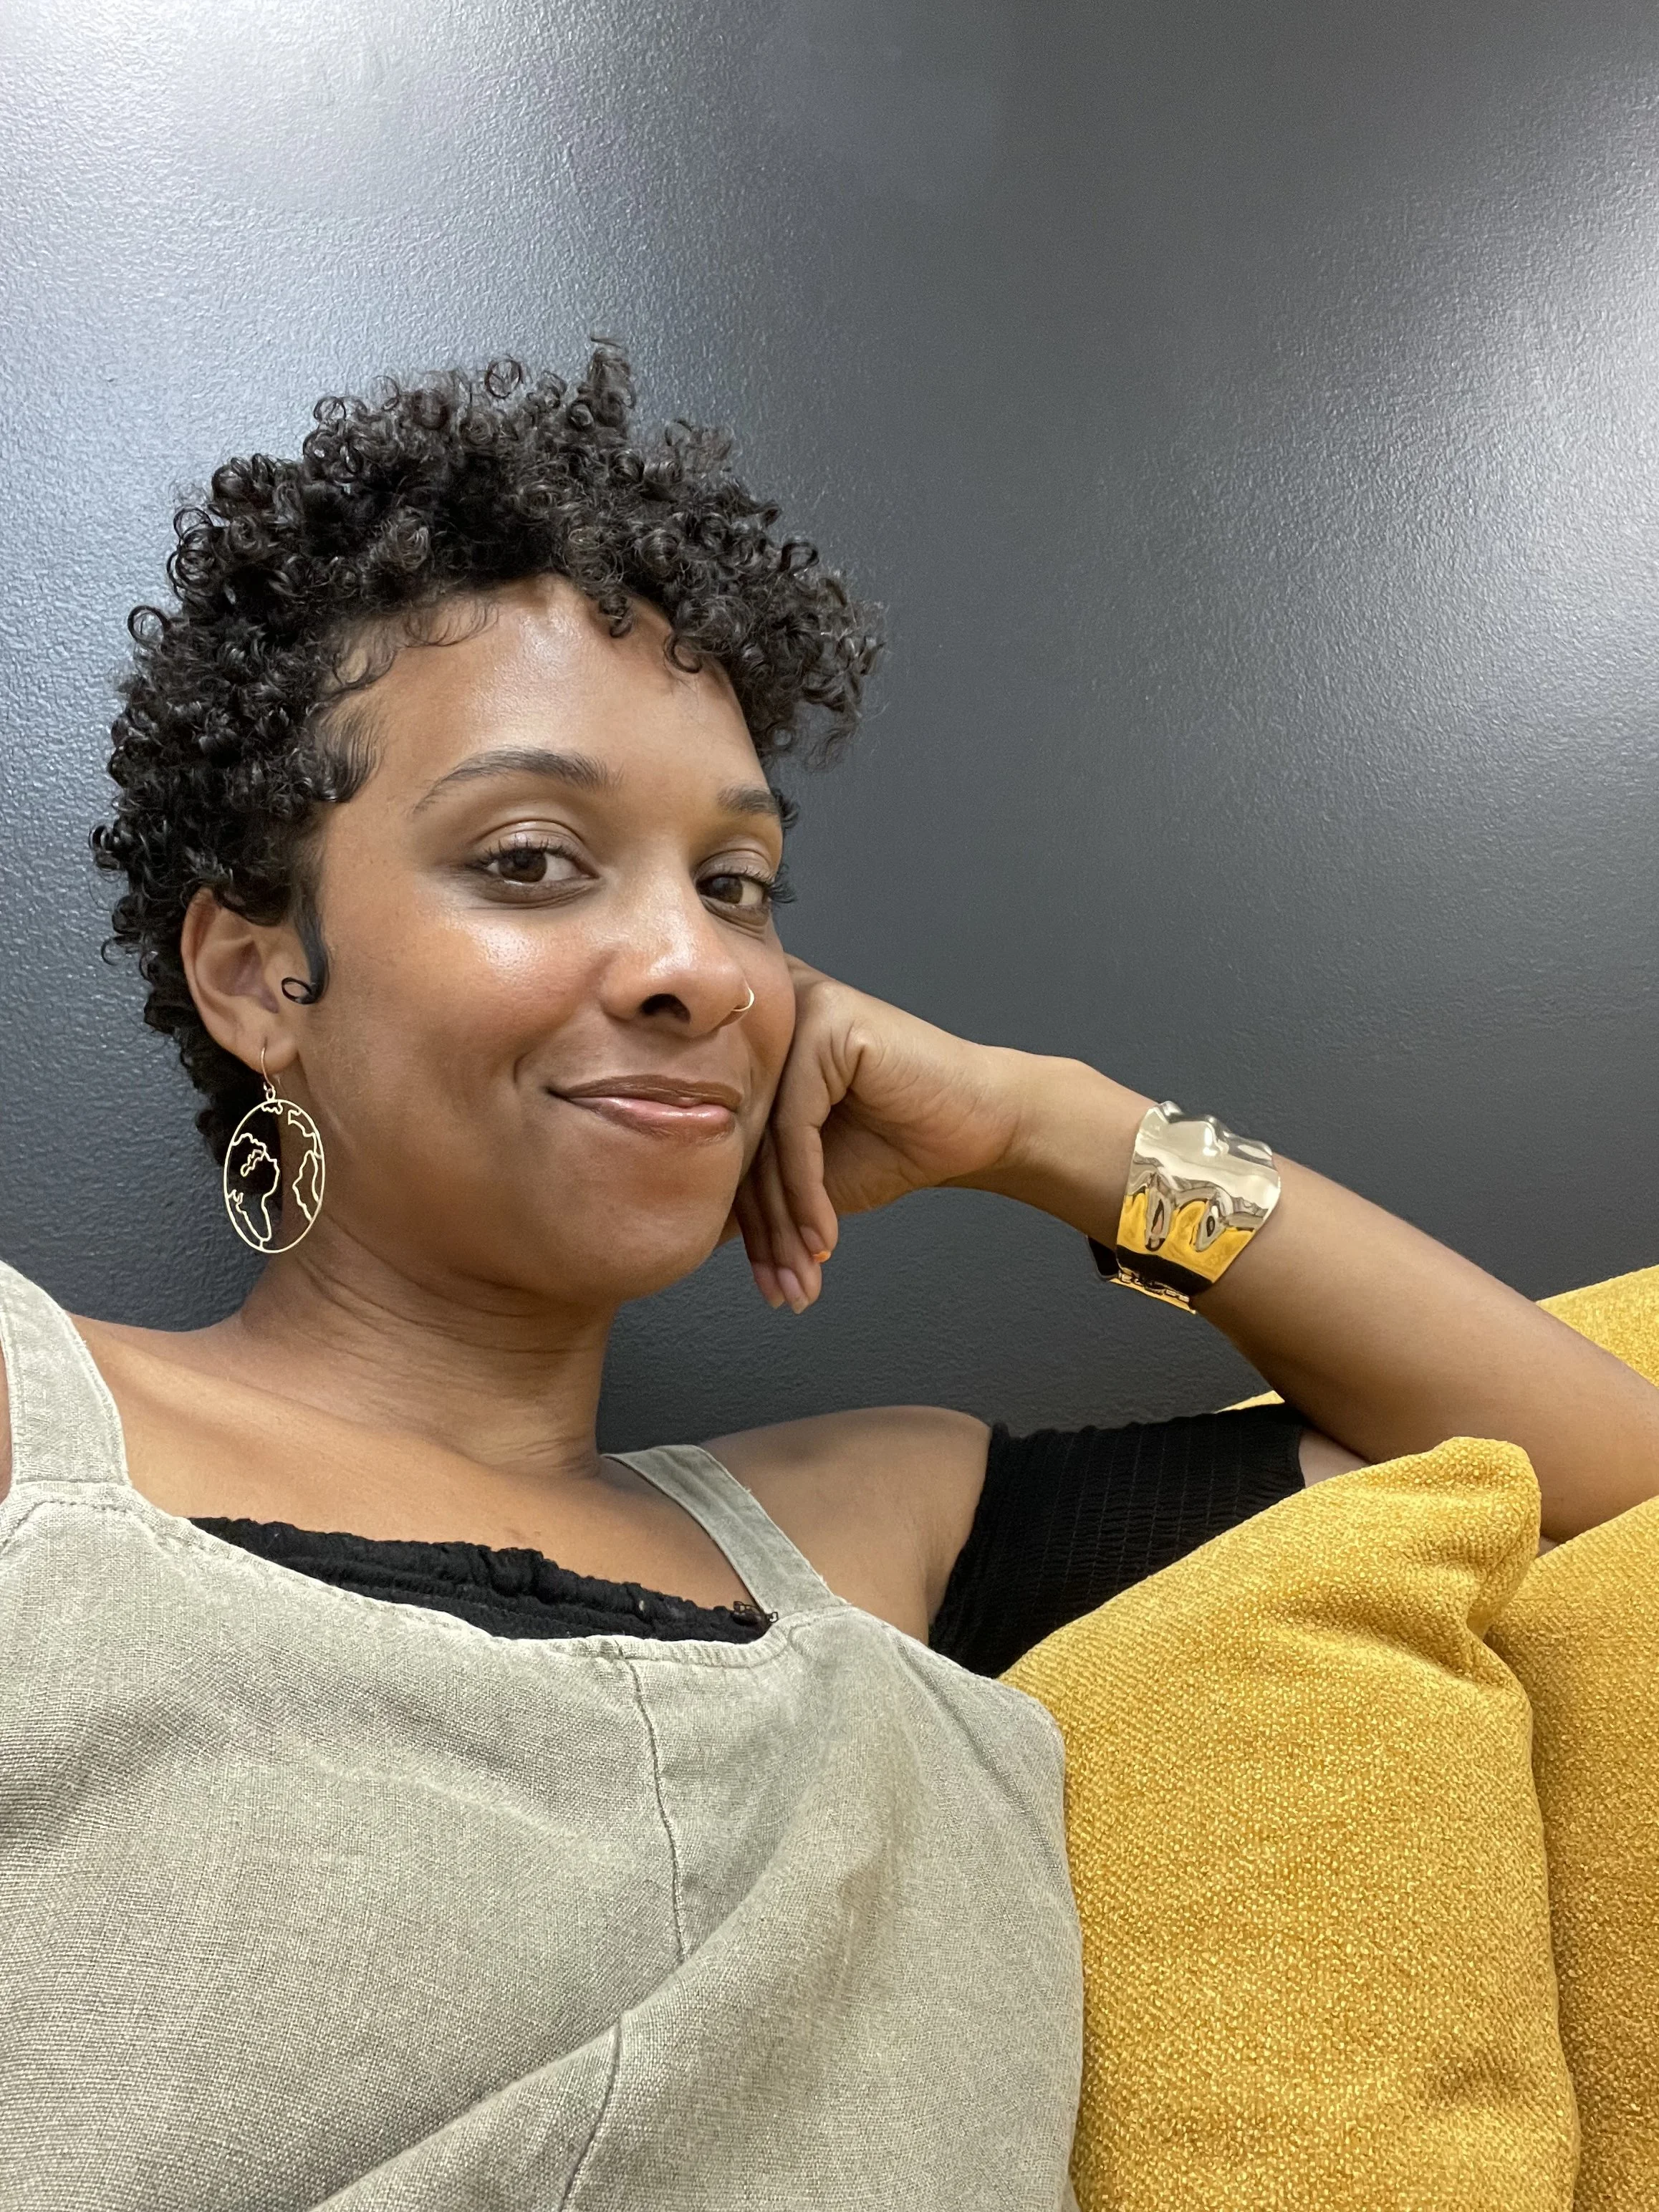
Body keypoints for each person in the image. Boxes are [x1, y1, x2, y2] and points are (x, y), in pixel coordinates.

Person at [1, 349, 1655, 2212]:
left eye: (735, 882)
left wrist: (1051, 1127)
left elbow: (1607, 1487)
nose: (691, 965)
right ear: (256, 975)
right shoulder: (31, 1422)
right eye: (533, 861)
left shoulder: (882, 1532)